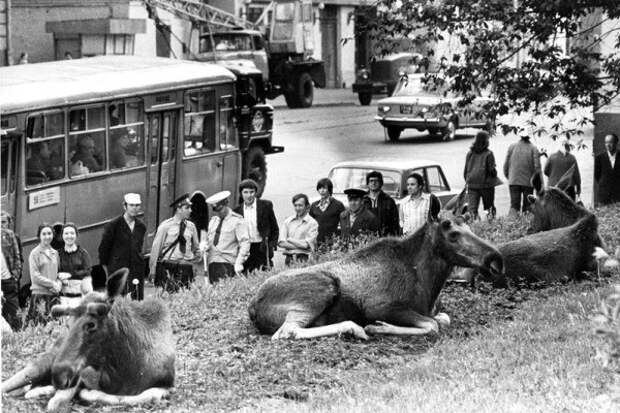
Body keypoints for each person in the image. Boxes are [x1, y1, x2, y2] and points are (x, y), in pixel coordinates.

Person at [98, 193, 147, 300]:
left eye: (137, 205)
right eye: (131, 205)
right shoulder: (113, 225)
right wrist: (107, 269)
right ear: (125, 206)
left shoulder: (141, 227)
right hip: (117, 268)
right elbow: (103, 249)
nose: (135, 208)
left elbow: (139, 247)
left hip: (136, 269)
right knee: (117, 299)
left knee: (136, 298)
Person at [149, 194, 200, 292]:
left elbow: (196, 247)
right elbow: (155, 249)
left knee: (184, 299)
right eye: (187, 208)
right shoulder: (165, 226)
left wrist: (196, 260)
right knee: (168, 297)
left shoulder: (191, 227)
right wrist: (153, 270)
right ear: (178, 209)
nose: (190, 211)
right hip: (169, 267)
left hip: (186, 268)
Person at [204, 191, 250, 283]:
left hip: (227, 263)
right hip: (212, 263)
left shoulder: (237, 221)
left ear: (226, 204)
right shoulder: (213, 221)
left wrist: (239, 262)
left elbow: (245, 243)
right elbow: (209, 240)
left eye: (220, 210)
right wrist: (205, 245)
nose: (219, 213)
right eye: (216, 211)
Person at [233, 179, 279, 272]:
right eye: (245, 192)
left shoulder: (265, 205)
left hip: (262, 246)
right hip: (246, 248)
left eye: (251, 192)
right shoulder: (237, 211)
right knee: (246, 273)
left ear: (255, 193)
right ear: (241, 193)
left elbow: (274, 228)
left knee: (265, 272)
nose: (249, 195)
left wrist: (271, 245)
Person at [27, 224, 61, 325]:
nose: (47, 236)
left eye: (49, 233)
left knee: (54, 327)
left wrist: (58, 284)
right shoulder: (35, 253)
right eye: (44, 234)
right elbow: (35, 276)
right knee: (39, 327)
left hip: (53, 295)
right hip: (40, 295)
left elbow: (58, 272)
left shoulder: (55, 253)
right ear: (39, 236)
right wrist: (52, 284)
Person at [503, 128, 541, 214]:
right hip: (528, 182)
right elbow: (537, 167)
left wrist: (509, 177)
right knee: (527, 206)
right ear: (529, 137)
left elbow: (506, 165)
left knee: (514, 205)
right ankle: (525, 225)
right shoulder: (533, 148)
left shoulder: (512, 147)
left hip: (513, 180)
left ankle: (513, 224)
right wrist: (536, 182)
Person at [464, 130, 499, 219]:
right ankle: (491, 224)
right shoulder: (489, 154)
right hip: (486, 186)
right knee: (488, 208)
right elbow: (492, 170)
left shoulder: (470, 153)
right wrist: (495, 174)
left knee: (472, 209)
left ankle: (473, 226)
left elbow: (465, 170)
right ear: (485, 141)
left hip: (472, 184)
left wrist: (468, 180)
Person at [57, 223, 93, 305]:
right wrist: (59, 276)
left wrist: (69, 275)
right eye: (66, 233)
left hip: (79, 295)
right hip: (63, 295)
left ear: (76, 235)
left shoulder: (83, 253)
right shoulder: (58, 254)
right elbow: (55, 270)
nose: (69, 236)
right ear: (62, 236)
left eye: (72, 233)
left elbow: (87, 271)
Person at [279, 194, 319, 266]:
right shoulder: (288, 221)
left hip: (304, 259)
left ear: (307, 206)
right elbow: (281, 243)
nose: (297, 208)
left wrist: (290, 239)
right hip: (289, 259)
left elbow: (306, 245)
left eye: (300, 205)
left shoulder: (312, 223)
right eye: (295, 205)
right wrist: (301, 245)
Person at [309, 178, 345, 246]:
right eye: (319, 188)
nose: (321, 191)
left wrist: (341, 241)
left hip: (332, 242)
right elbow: (309, 224)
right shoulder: (314, 205)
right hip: (317, 241)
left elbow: (344, 225)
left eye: (324, 188)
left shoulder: (338, 205)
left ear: (329, 189)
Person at [363, 171, 400, 235]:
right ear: (367, 184)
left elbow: (395, 223)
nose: (373, 183)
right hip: (365, 236)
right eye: (371, 181)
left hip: (384, 237)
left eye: (376, 181)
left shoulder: (389, 201)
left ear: (381, 183)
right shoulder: (362, 201)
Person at [1, 226, 22, 330]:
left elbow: (16, 255)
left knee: (15, 316)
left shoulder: (8, 234)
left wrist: (15, 276)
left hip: (8, 281)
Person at [594, 133, 620, 206]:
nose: (608, 145)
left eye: (610, 142)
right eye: (606, 142)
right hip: (604, 196)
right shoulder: (599, 158)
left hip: (618, 195)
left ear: (616, 143)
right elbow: (597, 175)